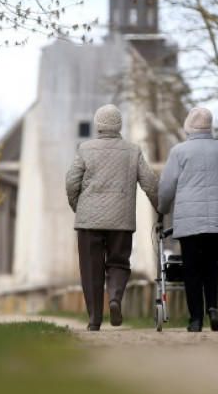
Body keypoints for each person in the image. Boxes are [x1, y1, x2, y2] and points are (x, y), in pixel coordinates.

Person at [66, 104, 159, 331]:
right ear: (119, 125)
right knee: (118, 263)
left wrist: (78, 207)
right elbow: (150, 183)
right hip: (121, 219)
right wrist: (160, 207)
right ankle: (115, 298)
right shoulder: (133, 150)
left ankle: (94, 321)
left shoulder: (85, 149)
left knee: (91, 269)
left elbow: (71, 182)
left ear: (98, 124)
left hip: (89, 221)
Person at [158, 107, 218, 332]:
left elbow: (167, 186)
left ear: (189, 126)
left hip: (188, 224)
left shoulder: (179, 152)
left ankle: (196, 319)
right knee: (211, 266)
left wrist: (162, 208)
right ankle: (213, 309)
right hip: (217, 221)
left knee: (191, 269)